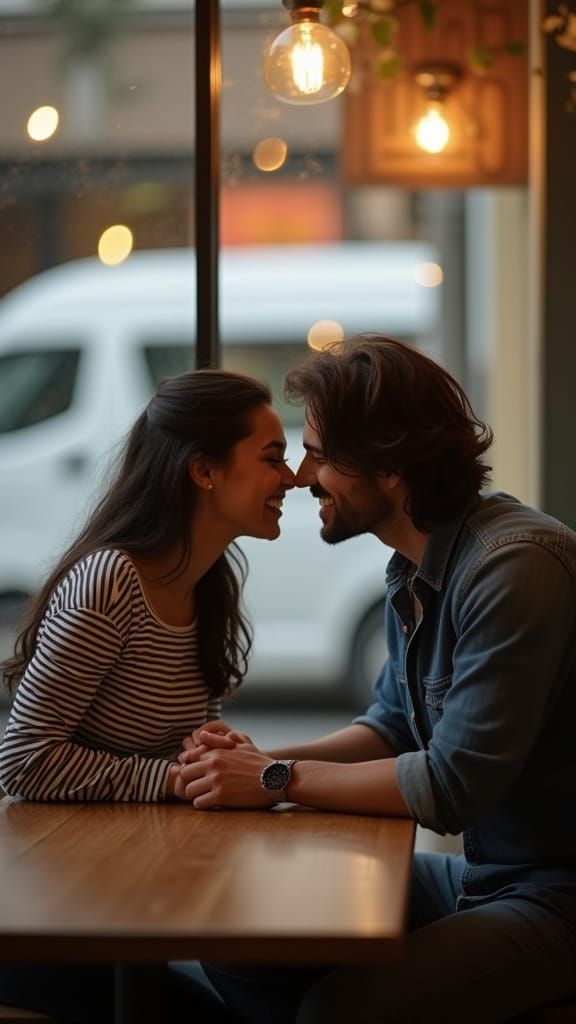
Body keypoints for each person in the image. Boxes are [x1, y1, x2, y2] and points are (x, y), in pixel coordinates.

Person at [177, 336, 576, 1024]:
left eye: (320, 455)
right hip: (488, 879)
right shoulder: (417, 568)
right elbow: (391, 725)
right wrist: (255, 764)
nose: (299, 477)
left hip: (555, 895)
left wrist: (274, 781)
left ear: (390, 467)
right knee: (241, 937)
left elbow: (451, 786)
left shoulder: (515, 568)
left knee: (339, 1011)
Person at [0, 366, 295, 1022]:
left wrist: (215, 753)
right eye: (273, 458)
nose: (294, 478)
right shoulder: (111, 583)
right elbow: (22, 759)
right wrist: (171, 780)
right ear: (204, 471)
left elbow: (185, 746)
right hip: (56, 921)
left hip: (127, 901)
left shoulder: (208, 581)